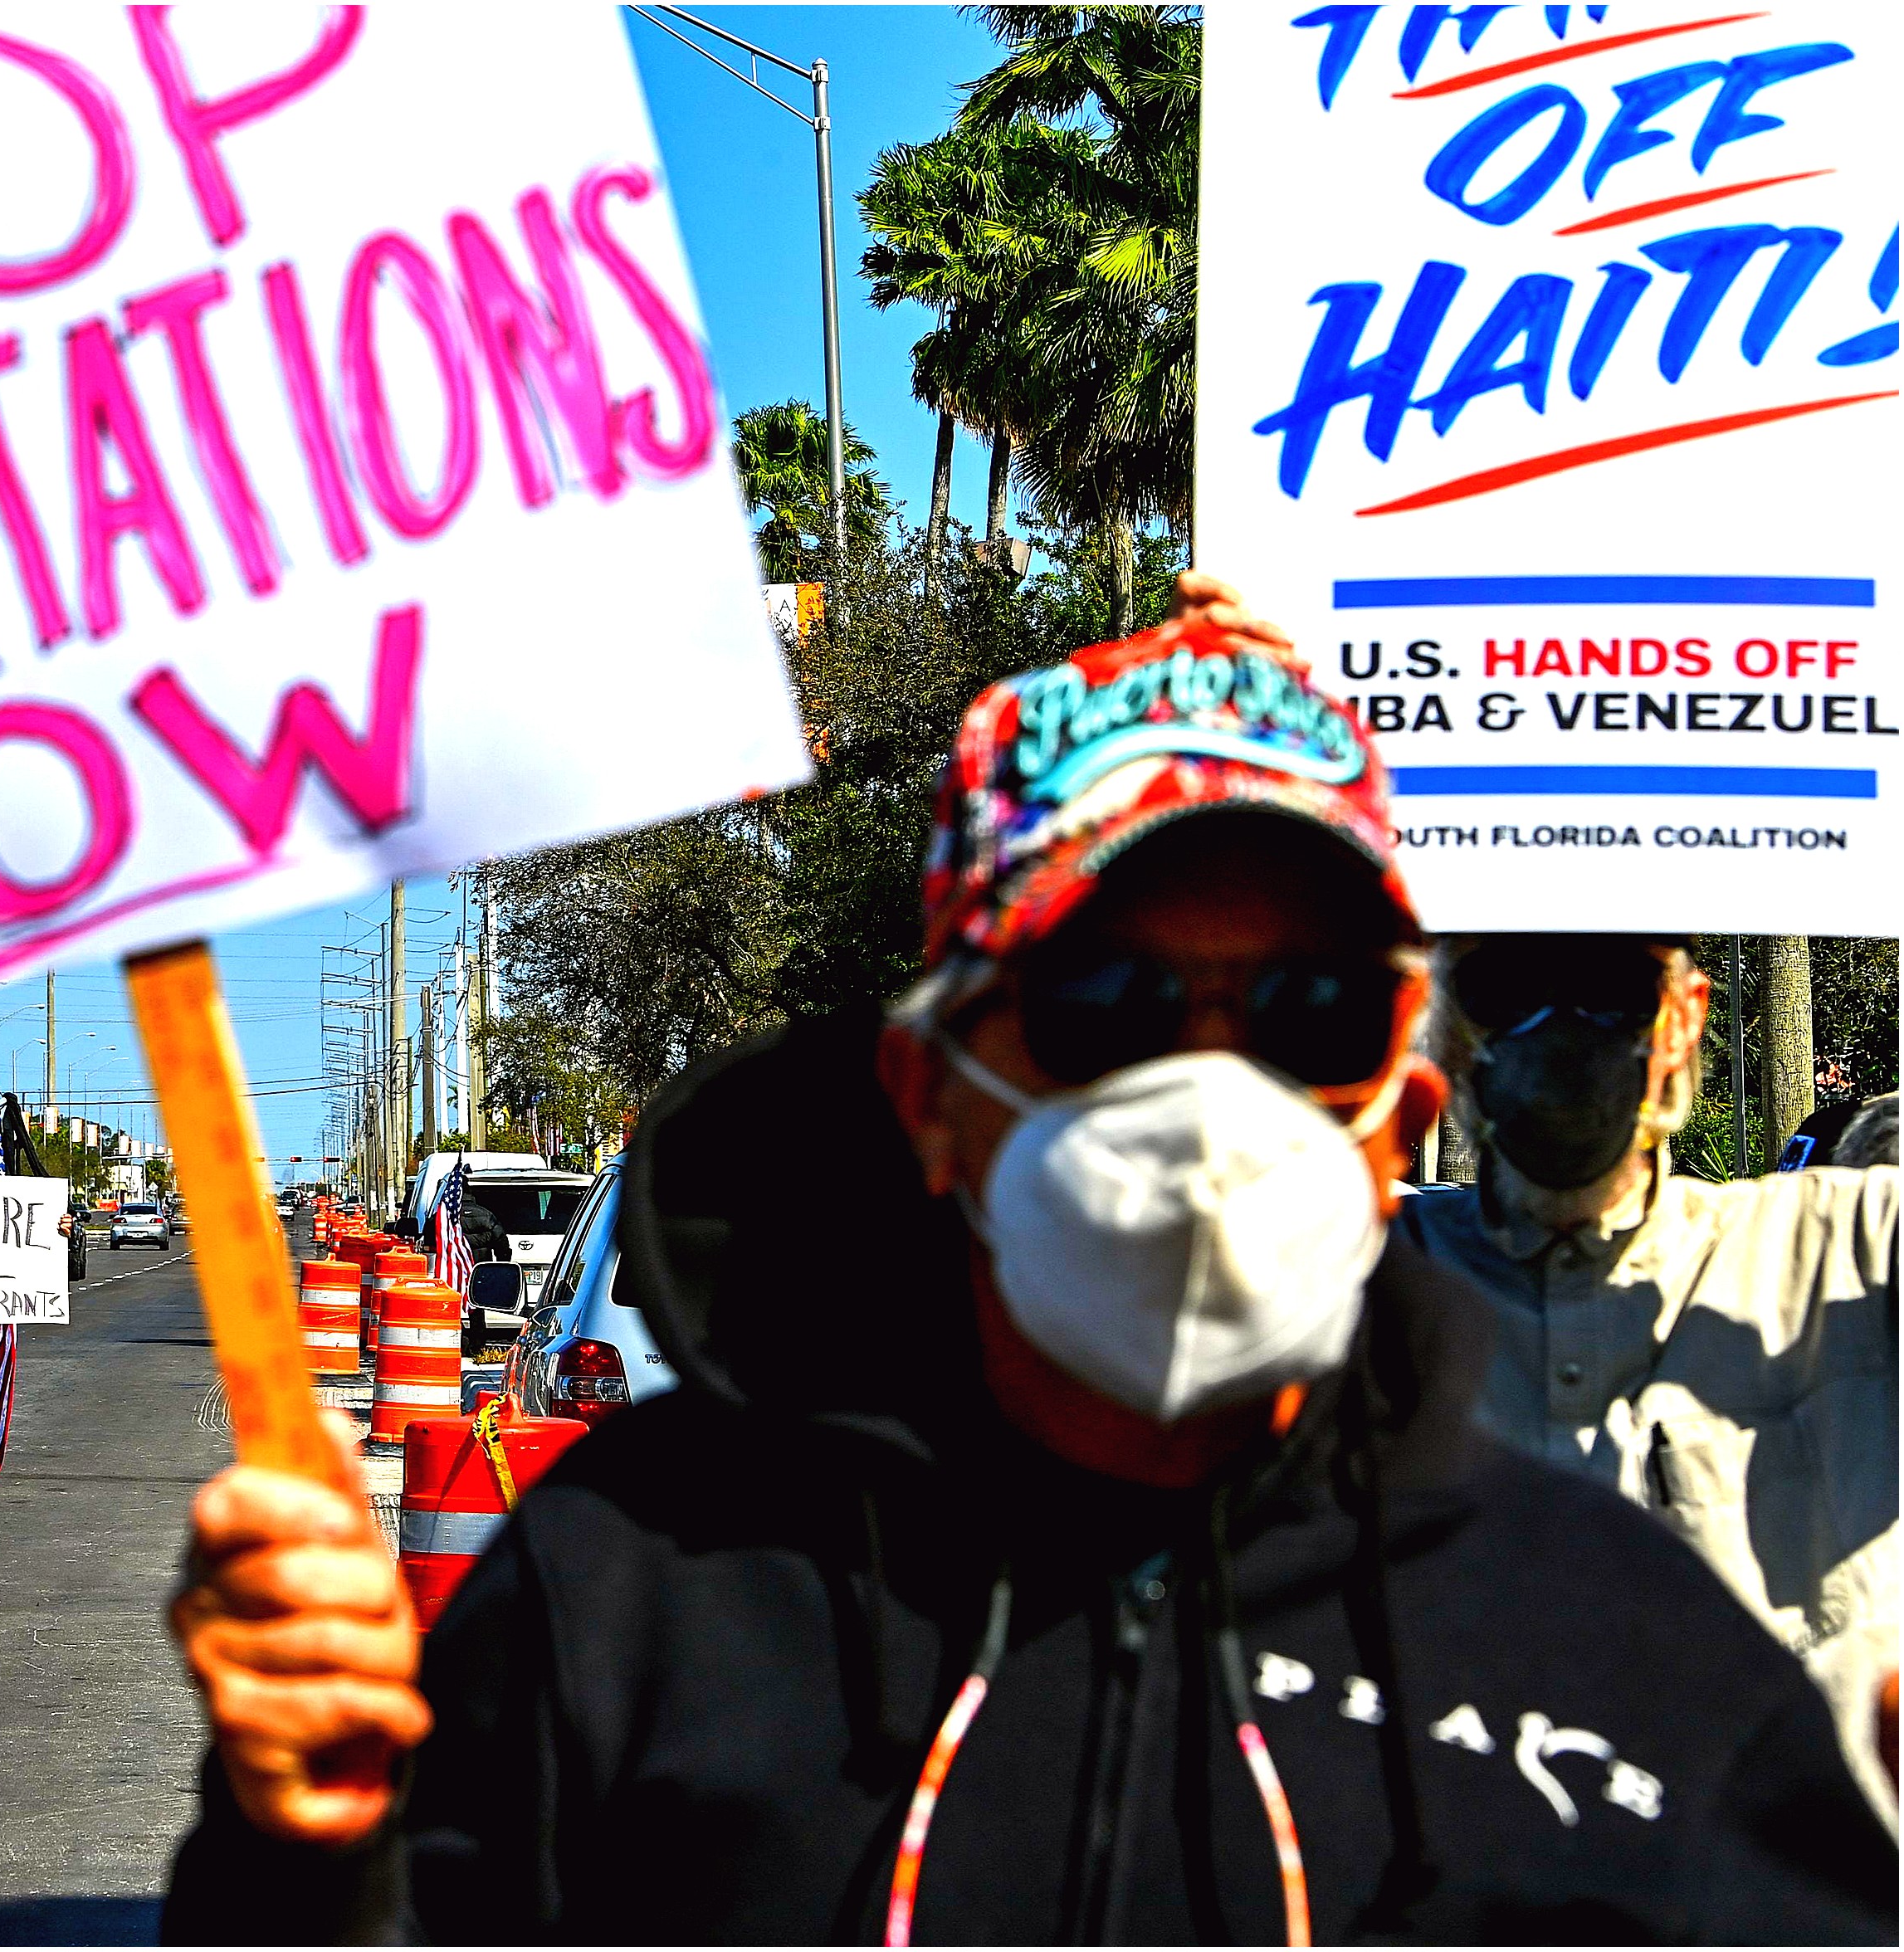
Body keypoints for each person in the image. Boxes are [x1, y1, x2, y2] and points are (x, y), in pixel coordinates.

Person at [159, 583, 1895, 1942]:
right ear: (934, 1086)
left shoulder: (1642, 1671)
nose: (1211, 1089)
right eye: (1107, 1004)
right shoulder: (638, 1587)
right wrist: (301, 1861)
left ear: (1403, 1103)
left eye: (1306, 1012)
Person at [1397, 935, 1897, 1825]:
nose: (1560, 1031)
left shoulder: (1850, 1245)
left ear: (1684, 1019)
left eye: (1608, 987)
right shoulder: (1355, 1282)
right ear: (1449, 1036)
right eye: (1507, 988)